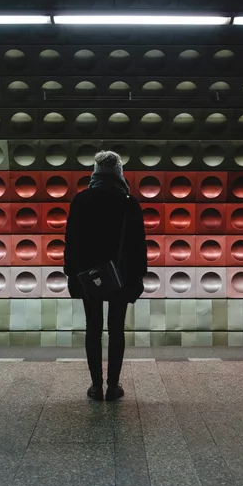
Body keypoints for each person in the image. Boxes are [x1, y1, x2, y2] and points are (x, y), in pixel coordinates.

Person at [64, 151, 148, 402]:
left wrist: (72, 274)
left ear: (95, 171)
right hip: (121, 275)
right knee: (116, 329)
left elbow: (71, 241)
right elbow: (138, 245)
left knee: (93, 329)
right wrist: (138, 276)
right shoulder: (129, 202)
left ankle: (95, 386)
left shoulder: (81, 200)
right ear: (119, 172)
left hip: (89, 276)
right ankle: (113, 386)